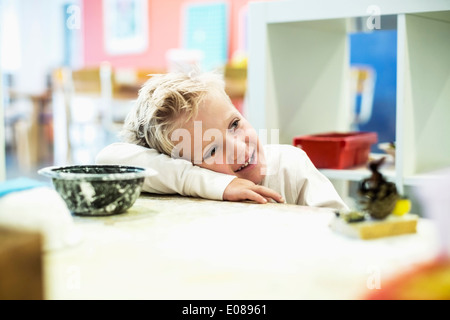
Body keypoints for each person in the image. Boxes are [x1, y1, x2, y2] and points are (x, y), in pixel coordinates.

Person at [96, 71, 348, 210]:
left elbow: (341, 233)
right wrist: (216, 184)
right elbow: (108, 159)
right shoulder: (186, 184)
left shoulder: (289, 166)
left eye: (234, 124)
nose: (239, 149)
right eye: (212, 149)